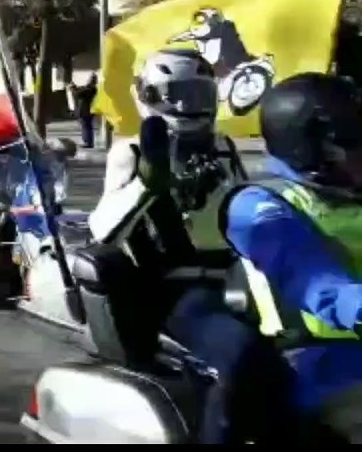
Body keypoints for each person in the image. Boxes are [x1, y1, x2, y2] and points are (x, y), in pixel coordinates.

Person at [177, 72, 362, 442]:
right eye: (356, 144)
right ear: (315, 150)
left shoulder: (350, 190)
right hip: (321, 367)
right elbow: (315, 281)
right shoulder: (261, 207)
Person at [97, 49, 246, 216]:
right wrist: (145, 184)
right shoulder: (131, 151)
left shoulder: (222, 146)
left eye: (197, 94)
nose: (185, 105)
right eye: (174, 94)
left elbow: (248, 203)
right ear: (149, 95)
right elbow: (104, 221)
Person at [66, 73, 100, 149]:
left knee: (86, 126)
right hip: (86, 110)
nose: (88, 80)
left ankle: (88, 143)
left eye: (90, 78)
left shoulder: (91, 89)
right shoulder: (90, 88)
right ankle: (87, 142)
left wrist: (73, 89)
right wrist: (74, 87)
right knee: (86, 126)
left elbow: (79, 93)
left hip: (86, 111)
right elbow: (80, 90)